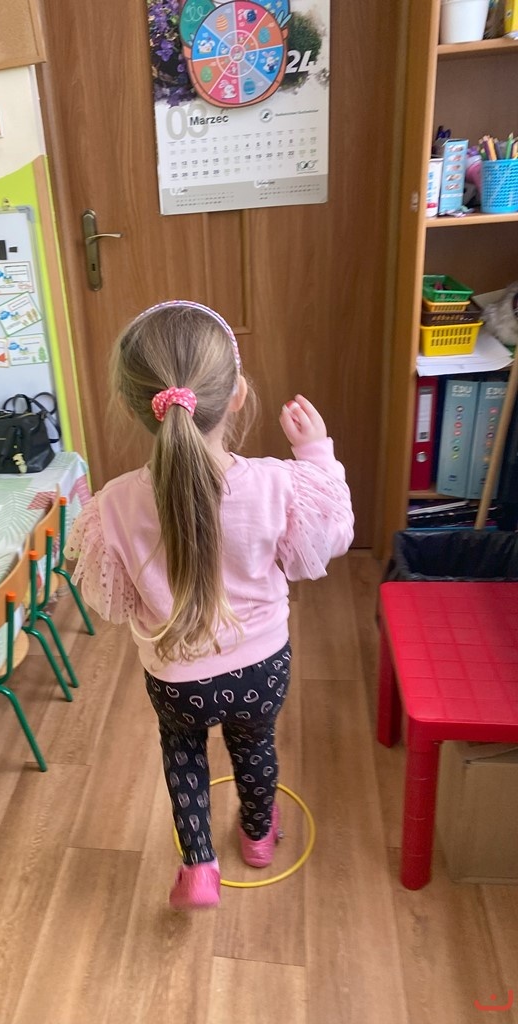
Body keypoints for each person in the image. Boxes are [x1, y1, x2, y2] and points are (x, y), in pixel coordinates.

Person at [65, 301, 354, 910]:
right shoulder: (278, 483)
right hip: (261, 668)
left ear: (134, 407)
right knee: (255, 747)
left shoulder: (112, 505)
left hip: (177, 680)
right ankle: (257, 837)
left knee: (183, 754)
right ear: (239, 394)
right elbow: (330, 540)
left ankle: (199, 865)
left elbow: (109, 600)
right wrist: (317, 454)